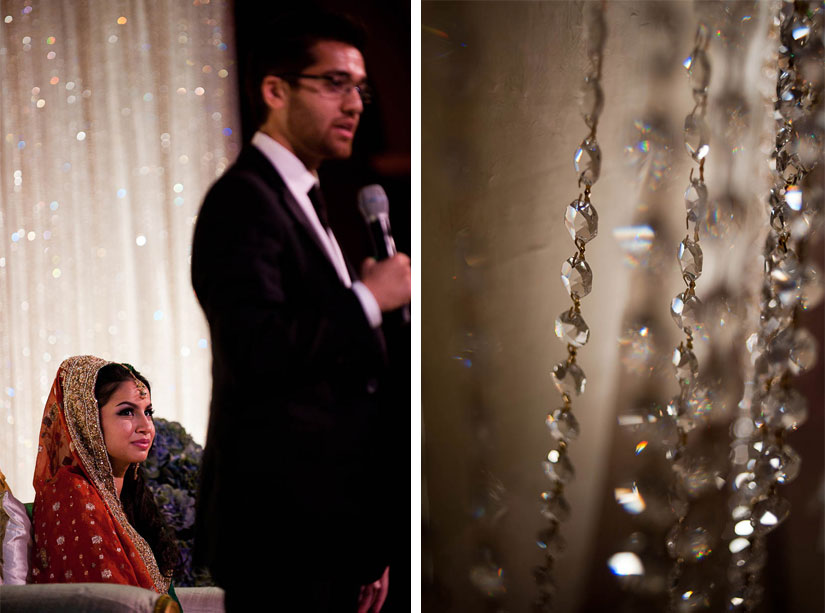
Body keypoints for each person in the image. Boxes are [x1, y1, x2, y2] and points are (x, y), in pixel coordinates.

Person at [190, 9, 410, 613]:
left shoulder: (306, 199)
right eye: (335, 82)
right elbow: (257, 349)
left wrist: (366, 538)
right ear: (275, 90)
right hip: (279, 529)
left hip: (330, 528)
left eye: (360, 87)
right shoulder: (243, 200)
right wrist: (370, 298)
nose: (356, 103)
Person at [31, 355, 180, 605]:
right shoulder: (72, 492)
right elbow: (111, 602)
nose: (146, 426)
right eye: (127, 412)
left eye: (148, 412)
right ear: (87, 420)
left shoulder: (130, 494)